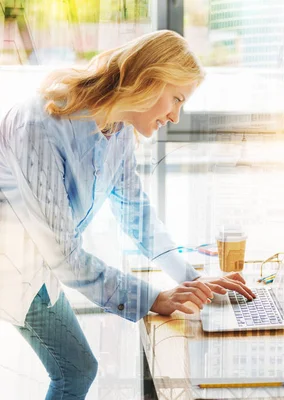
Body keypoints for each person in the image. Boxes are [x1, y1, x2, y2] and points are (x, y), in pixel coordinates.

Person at [0, 30, 255, 399]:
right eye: (176, 99)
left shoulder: (117, 129)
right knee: (76, 370)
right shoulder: (38, 125)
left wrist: (194, 281)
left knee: (77, 369)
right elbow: (65, 258)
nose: (175, 115)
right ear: (149, 80)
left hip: (37, 265)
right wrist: (152, 298)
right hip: (12, 267)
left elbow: (135, 212)